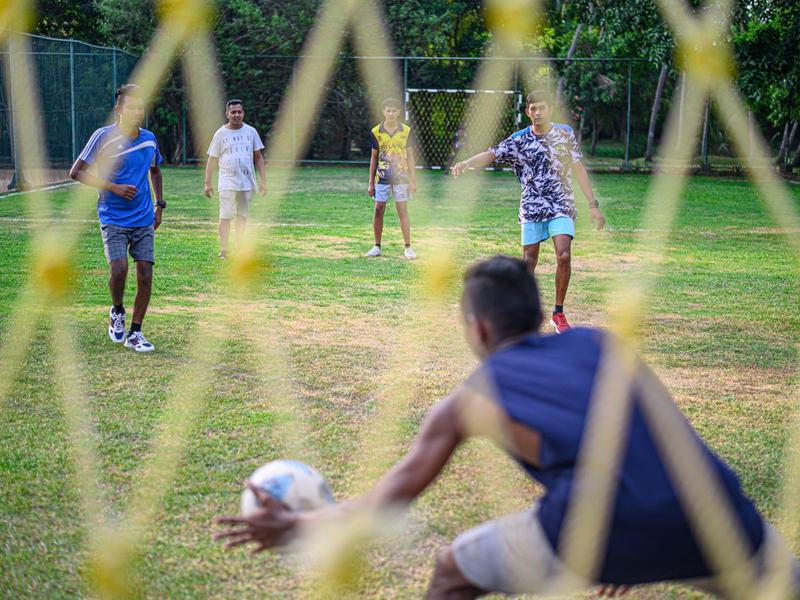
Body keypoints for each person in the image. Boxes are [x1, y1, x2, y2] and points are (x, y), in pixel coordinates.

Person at [216, 255, 799, 599]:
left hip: (597, 528)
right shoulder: (604, 343)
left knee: (452, 571)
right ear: (540, 315)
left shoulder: (470, 399)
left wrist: (297, 524)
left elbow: (391, 497)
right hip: (721, 515)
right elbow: (660, 439)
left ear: (478, 329)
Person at [452, 90, 606, 334]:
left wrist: (593, 205)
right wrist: (467, 163)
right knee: (528, 263)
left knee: (564, 255)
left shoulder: (564, 134)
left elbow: (578, 169)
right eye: (533, 109)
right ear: (527, 112)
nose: (537, 112)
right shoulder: (519, 139)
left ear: (549, 109)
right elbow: (493, 153)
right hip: (532, 207)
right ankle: (521, 312)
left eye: (541, 107)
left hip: (561, 204)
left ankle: (558, 313)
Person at [69, 83, 164, 353]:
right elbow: (76, 172)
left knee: (145, 274)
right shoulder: (103, 136)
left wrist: (160, 205)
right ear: (119, 109)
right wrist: (113, 188)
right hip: (113, 217)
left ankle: (136, 333)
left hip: (144, 217)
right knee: (119, 269)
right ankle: (118, 310)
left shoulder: (149, 138)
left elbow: (156, 170)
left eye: (140, 107)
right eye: (131, 107)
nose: (136, 111)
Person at [204, 99, 266, 259]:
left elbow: (258, 156)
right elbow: (212, 159)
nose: (236, 115)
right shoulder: (220, 134)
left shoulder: (251, 132)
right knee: (226, 214)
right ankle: (224, 249)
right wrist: (207, 183)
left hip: (246, 181)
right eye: (233, 112)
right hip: (227, 181)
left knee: (242, 215)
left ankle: (239, 245)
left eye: (239, 112)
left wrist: (263, 181)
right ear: (227, 114)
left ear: (243, 113)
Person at [365, 98, 417, 260]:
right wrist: (371, 182)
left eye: (394, 110)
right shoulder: (376, 131)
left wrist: (413, 180)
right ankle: (376, 246)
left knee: (402, 210)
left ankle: (408, 247)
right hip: (382, 177)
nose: (391, 113)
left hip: (401, 178)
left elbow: (410, 157)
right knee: (379, 209)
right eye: (388, 110)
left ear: (399, 112)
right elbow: (374, 158)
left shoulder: (406, 131)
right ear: (383, 112)